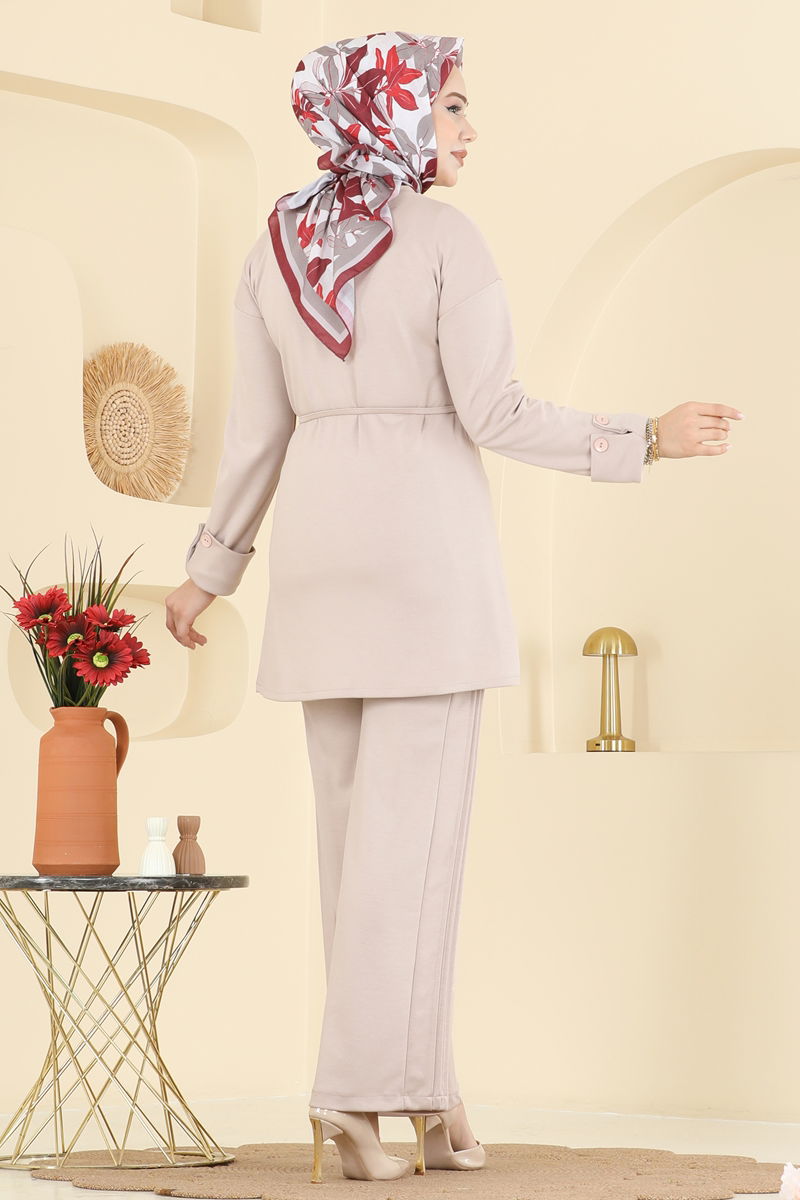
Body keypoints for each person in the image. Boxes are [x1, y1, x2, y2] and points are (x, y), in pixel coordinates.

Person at [165, 30, 744, 1184]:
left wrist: (209, 570)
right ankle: (354, 1100)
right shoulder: (441, 239)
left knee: (357, 856)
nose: (471, 129)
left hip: (319, 565)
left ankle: (425, 1095)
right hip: (421, 564)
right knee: (413, 856)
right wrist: (644, 438)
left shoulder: (279, 243)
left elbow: (256, 432)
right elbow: (497, 412)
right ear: (388, 113)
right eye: (451, 106)